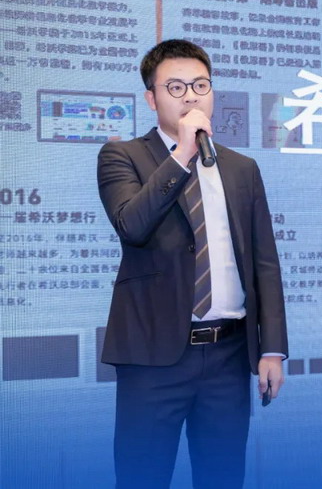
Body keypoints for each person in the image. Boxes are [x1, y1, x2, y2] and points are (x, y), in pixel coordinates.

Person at [97, 40, 288, 489]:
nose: (191, 96)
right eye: (176, 87)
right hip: (153, 358)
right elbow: (132, 225)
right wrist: (181, 154)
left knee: (223, 476)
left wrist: (271, 348)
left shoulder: (241, 168)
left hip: (228, 355)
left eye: (201, 85)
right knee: (142, 477)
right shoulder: (122, 157)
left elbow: (264, 261)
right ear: (152, 98)